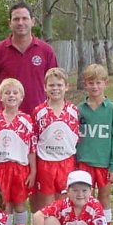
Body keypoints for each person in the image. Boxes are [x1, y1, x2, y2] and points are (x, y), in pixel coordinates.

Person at [0, 78, 37, 225]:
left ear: (21, 97)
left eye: (15, 92)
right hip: (1, 168)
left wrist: (33, 171)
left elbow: (31, 148)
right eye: (7, 92)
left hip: (20, 168)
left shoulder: (27, 120)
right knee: (5, 205)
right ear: (0, 97)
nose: (11, 95)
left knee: (20, 204)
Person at [76, 64, 113, 225]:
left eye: (98, 82)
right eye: (90, 83)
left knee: (103, 198)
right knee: (85, 198)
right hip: (84, 162)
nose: (94, 87)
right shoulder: (79, 109)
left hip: (104, 163)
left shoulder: (112, 109)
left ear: (106, 83)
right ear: (85, 85)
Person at [0, 1, 58, 115]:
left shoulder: (46, 50)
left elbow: (54, 82)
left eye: (25, 18)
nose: (20, 23)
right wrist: (11, 99)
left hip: (39, 117)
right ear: (10, 23)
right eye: (16, 19)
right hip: (8, 119)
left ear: (32, 21)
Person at [31, 67, 79, 213]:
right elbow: (34, 140)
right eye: (51, 85)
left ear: (66, 86)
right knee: (47, 202)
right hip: (45, 162)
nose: (55, 89)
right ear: (45, 87)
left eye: (59, 85)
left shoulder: (73, 111)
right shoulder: (39, 111)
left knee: (64, 201)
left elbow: (75, 137)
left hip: (66, 161)